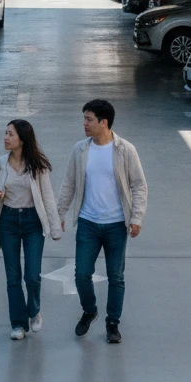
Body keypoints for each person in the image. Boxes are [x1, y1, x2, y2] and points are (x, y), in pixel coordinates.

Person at [56, 99, 147, 344]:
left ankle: (112, 323)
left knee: (116, 276)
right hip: (88, 223)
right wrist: (59, 213)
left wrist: (136, 218)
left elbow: (139, 185)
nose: (84, 123)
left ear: (103, 122)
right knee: (82, 274)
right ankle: (90, 310)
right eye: (84, 118)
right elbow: (69, 184)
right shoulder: (80, 149)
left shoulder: (125, 150)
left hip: (117, 224)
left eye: (89, 119)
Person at [0, 120, 61, 340]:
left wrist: (54, 228)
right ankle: (18, 324)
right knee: (13, 277)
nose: (5, 137)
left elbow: (47, 197)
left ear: (22, 139)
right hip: (8, 220)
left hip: (32, 222)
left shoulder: (37, 166)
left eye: (10, 134)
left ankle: (34, 311)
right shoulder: (0, 163)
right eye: (5, 133)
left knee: (32, 276)